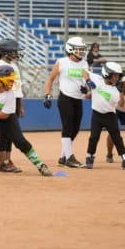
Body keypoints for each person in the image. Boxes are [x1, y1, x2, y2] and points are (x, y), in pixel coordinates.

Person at [0, 65, 53, 176]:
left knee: (20, 141)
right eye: (9, 80)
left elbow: (4, 115)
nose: (12, 83)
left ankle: (40, 165)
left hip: (4, 114)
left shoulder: (11, 94)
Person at [82, 62, 125, 170]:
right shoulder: (97, 79)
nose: (117, 77)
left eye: (118, 75)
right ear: (107, 74)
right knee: (94, 137)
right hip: (97, 115)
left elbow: (121, 105)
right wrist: (88, 81)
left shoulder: (116, 90)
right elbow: (84, 71)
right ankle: (89, 157)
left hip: (110, 116)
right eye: (115, 75)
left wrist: (121, 92)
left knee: (117, 138)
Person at [43, 36, 88, 168]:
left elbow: (86, 81)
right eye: (79, 50)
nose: (81, 52)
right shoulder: (61, 62)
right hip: (65, 98)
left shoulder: (84, 64)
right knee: (67, 127)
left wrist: (86, 88)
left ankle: (63, 156)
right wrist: (47, 95)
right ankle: (69, 158)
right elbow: (50, 79)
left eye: (82, 50)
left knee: (75, 129)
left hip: (78, 99)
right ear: (70, 49)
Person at [0, 39, 24, 173]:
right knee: (4, 133)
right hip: (3, 102)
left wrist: (20, 105)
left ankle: (7, 161)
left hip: (14, 101)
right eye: (13, 51)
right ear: (5, 53)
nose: (16, 53)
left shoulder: (14, 66)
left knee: (9, 133)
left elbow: (17, 86)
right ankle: (3, 162)